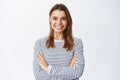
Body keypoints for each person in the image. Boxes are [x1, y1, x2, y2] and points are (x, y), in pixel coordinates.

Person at [33, 3, 85, 80]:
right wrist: (69, 71)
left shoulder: (76, 43)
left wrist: (48, 69)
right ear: (50, 19)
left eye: (63, 18)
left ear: (68, 21)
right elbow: (39, 76)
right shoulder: (40, 43)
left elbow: (78, 72)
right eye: (55, 18)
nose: (59, 22)